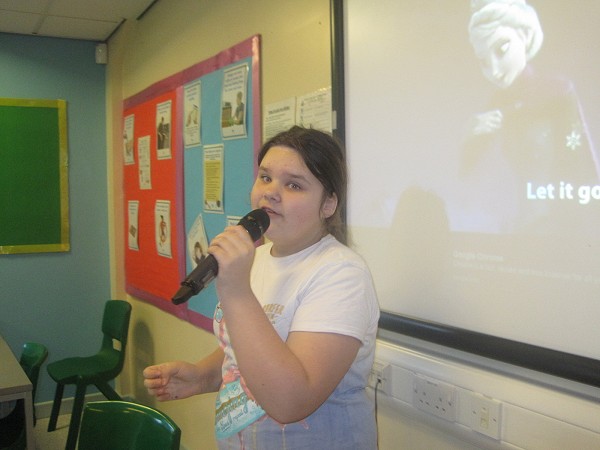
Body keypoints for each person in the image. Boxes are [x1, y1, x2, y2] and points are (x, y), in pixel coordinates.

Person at [144, 126, 380, 449]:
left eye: (294, 185)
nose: (270, 192)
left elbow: (290, 403)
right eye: (265, 177)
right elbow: (250, 347)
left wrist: (236, 291)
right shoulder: (255, 259)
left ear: (328, 204)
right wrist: (202, 376)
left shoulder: (342, 274)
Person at [461, 0, 599, 234]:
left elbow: (582, 170)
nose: (494, 70)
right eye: (483, 61)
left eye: (502, 49)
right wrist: (471, 137)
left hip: (561, 232)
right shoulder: (493, 105)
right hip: (512, 232)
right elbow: (469, 180)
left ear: (524, 35)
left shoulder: (558, 92)